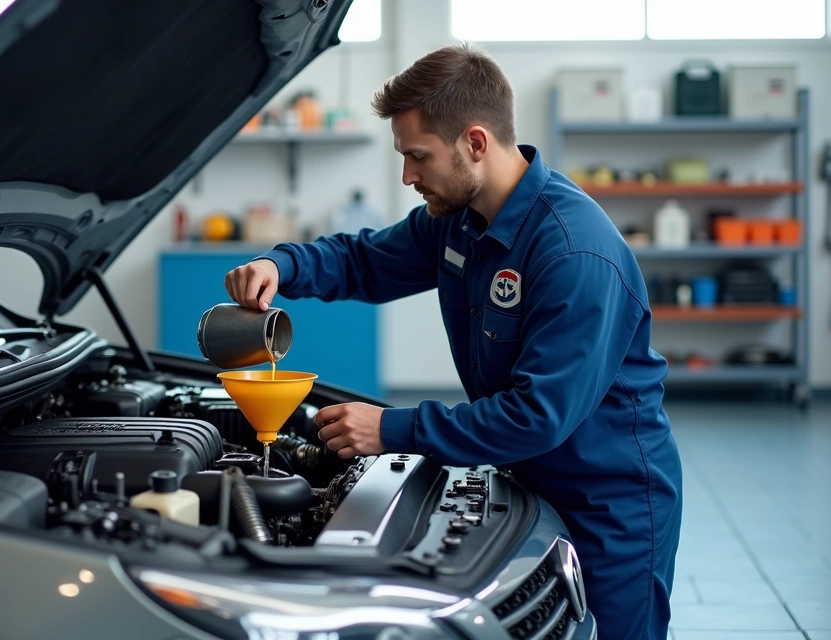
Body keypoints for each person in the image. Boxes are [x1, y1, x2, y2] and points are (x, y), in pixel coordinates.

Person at [224, 42, 682, 640]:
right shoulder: (460, 221)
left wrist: (391, 428)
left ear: (475, 142)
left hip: (610, 501)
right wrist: (282, 265)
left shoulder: (574, 253)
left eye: (418, 157)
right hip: (533, 478)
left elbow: (536, 415)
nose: (408, 176)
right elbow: (364, 260)